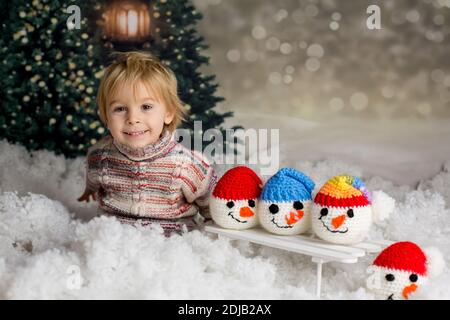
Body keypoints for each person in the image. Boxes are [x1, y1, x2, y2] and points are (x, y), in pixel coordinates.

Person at [78, 51, 216, 236]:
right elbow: (93, 176)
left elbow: (210, 201)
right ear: (106, 117)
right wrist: (89, 190)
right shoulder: (100, 156)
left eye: (146, 107)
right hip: (114, 239)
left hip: (169, 242)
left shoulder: (186, 165)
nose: (133, 118)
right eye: (120, 109)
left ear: (168, 113)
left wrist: (213, 227)